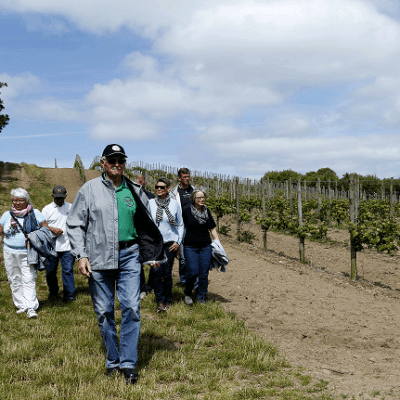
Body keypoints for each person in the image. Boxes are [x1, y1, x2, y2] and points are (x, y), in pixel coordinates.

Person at [66, 144, 164, 384]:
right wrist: (81, 255)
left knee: (131, 307)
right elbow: (75, 224)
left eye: (121, 160)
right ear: (103, 163)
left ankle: (128, 362)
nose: (117, 164)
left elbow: (146, 223)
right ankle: (113, 359)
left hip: (129, 254)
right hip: (98, 257)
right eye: (112, 160)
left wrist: (151, 254)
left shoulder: (135, 190)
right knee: (104, 311)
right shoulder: (89, 190)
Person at [0, 188, 48, 318]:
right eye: (14, 200)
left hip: (28, 252)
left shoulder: (35, 213)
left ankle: (31, 307)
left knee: (28, 278)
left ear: (27, 201)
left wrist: (34, 236)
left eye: (20, 200)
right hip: (9, 252)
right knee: (14, 278)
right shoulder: (6, 215)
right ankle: (21, 305)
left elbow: (45, 230)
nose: (17, 203)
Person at [148, 177, 184, 312]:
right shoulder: (150, 203)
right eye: (157, 187)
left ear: (167, 189)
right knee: (156, 272)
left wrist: (178, 242)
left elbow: (180, 225)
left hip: (170, 244)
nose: (158, 189)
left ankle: (168, 300)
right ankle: (160, 301)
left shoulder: (174, 205)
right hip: (155, 244)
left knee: (167, 273)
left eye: (162, 187)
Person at [181, 189, 219, 305]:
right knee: (192, 272)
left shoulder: (206, 211)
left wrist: (218, 242)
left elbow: (212, 228)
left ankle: (201, 297)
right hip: (190, 247)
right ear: (194, 199)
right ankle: (187, 293)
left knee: (203, 273)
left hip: (205, 246)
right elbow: (180, 227)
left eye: (203, 197)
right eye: (199, 197)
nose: (202, 200)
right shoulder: (186, 211)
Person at [42, 186, 76, 301]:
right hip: (51, 247)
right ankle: (53, 293)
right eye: (57, 198)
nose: (59, 200)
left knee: (68, 271)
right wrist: (52, 229)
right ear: (52, 196)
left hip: (67, 246)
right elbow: (42, 225)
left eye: (61, 198)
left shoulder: (71, 207)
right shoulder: (47, 209)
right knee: (50, 272)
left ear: (65, 196)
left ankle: (69, 295)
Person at [171, 168, 196, 285]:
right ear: (179, 178)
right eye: (184, 177)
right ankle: (184, 281)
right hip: (180, 227)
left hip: (193, 228)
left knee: (194, 255)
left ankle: (194, 281)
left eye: (188, 176)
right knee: (182, 258)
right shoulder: (174, 192)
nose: (187, 179)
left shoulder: (194, 191)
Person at [135, 174, 155, 299]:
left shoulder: (151, 197)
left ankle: (151, 285)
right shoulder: (130, 196)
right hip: (136, 233)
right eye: (137, 182)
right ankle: (142, 288)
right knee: (138, 262)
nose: (140, 184)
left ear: (144, 183)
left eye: (141, 182)